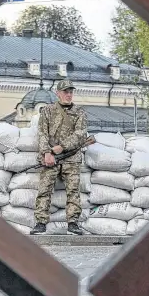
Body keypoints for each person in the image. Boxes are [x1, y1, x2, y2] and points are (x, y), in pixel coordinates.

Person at [30, 79, 88, 235]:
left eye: (71, 92)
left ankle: (73, 223)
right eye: (65, 92)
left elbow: (80, 134)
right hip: (50, 159)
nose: (69, 95)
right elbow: (42, 133)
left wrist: (62, 147)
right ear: (58, 93)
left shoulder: (79, 112)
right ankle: (41, 222)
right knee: (44, 189)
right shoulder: (48, 111)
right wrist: (47, 153)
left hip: (71, 157)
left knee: (74, 190)